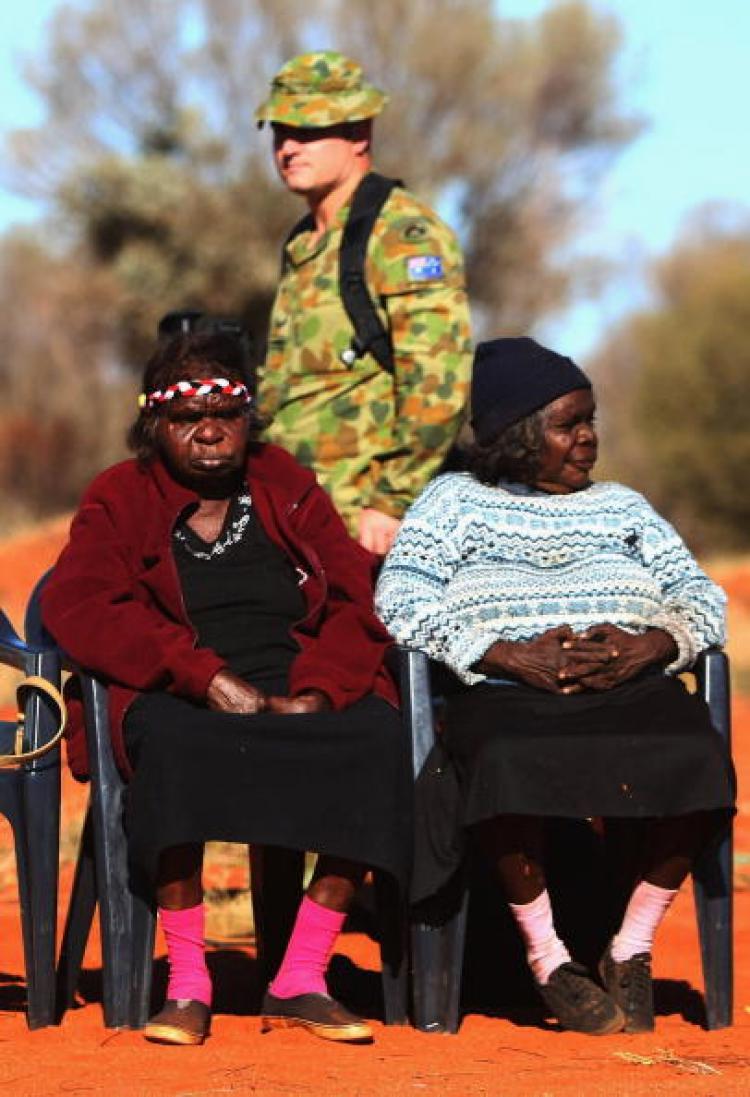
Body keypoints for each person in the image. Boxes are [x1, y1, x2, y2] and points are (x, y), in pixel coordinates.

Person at [41, 329, 410, 1047]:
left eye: (226, 411)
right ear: (156, 424)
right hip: (180, 685)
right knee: (174, 744)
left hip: (293, 679)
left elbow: (354, 596)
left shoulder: (286, 483)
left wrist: (324, 689)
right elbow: (80, 605)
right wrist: (203, 674)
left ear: (250, 418)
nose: (209, 428)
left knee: (377, 737)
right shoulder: (119, 495)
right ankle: (188, 980)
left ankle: (301, 970)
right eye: (186, 415)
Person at [376, 336, 734, 1036]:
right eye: (568, 425)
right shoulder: (454, 502)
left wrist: (653, 645)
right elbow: (401, 596)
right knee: (505, 760)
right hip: (509, 690)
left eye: (590, 420)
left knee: (699, 756)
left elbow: (700, 594)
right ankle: (549, 956)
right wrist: (501, 653)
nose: (588, 439)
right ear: (517, 435)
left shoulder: (623, 507)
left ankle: (629, 944)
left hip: (628, 684)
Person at [255, 50, 472, 555]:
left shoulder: (401, 235)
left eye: (308, 130)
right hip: (300, 522)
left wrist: (393, 500)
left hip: (367, 529)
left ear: (360, 134)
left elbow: (439, 384)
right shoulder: (304, 242)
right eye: (280, 132)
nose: (289, 147)